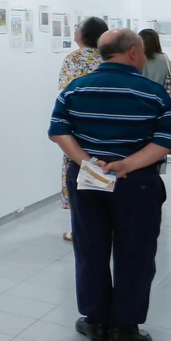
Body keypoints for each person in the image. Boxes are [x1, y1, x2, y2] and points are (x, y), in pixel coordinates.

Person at [49, 29, 171, 341]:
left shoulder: (75, 89)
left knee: (90, 250)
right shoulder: (153, 93)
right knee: (135, 252)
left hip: (88, 181)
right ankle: (125, 327)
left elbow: (58, 130)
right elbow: (166, 141)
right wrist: (129, 164)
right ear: (134, 52)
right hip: (137, 183)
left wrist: (87, 161)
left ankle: (95, 322)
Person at [56, 17, 108, 242]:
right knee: (105, 175)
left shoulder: (74, 59)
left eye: (78, 27)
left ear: (84, 35)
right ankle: (106, 226)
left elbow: (66, 93)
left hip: (79, 131)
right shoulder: (107, 58)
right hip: (107, 128)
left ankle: (82, 229)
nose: (74, 30)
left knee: (80, 175)